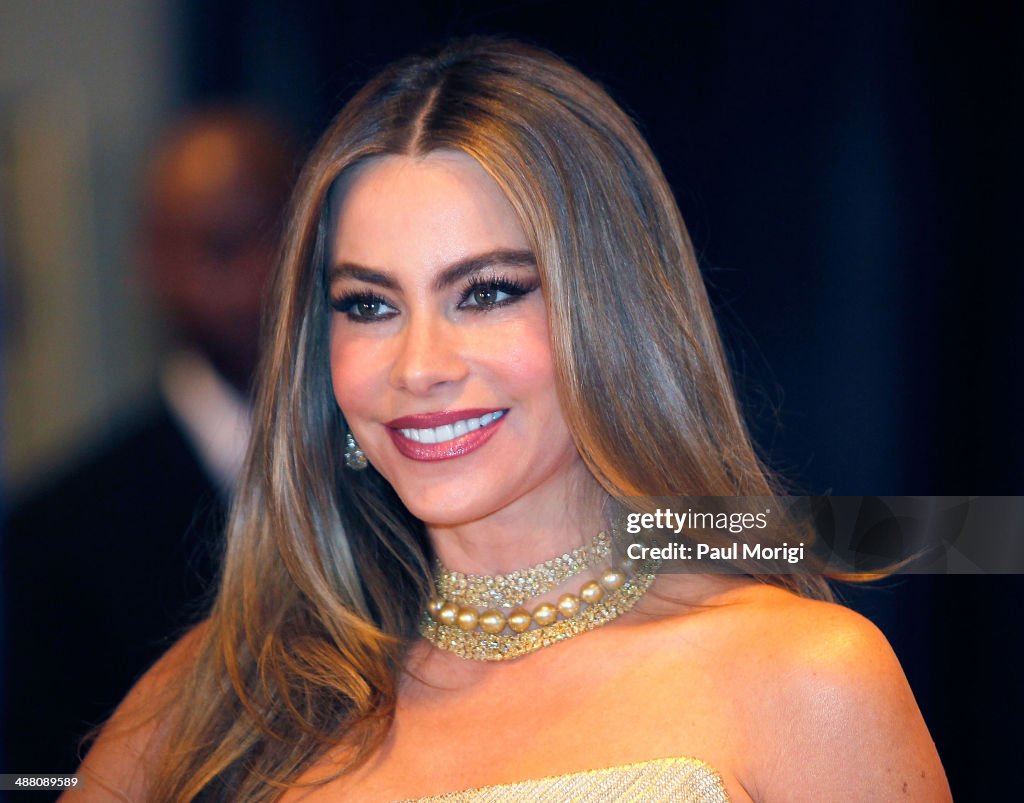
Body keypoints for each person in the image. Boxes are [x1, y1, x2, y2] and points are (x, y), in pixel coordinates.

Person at [68, 39, 949, 801]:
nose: (420, 367)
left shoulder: (803, 675)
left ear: (609, 316)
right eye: (369, 305)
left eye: (486, 293)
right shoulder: (232, 690)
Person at [3, 108, 296, 780]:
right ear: (152, 263)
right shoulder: (56, 530)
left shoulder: (401, 463)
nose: (261, 275)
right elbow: (33, 776)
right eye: (221, 247)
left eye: (281, 235)